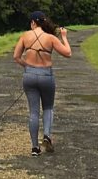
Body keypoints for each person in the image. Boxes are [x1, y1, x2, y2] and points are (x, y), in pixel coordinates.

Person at [12, 10, 72, 156]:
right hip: (46, 75)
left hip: (29, 75)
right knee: (48, 108)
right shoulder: (50, 38)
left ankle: (34, 148)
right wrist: (64, 37)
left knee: (33, 112)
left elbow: (16, 56)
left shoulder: (25, 36)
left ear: (33, 22)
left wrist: (27, 66)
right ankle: (46, 136)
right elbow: (68, 53)